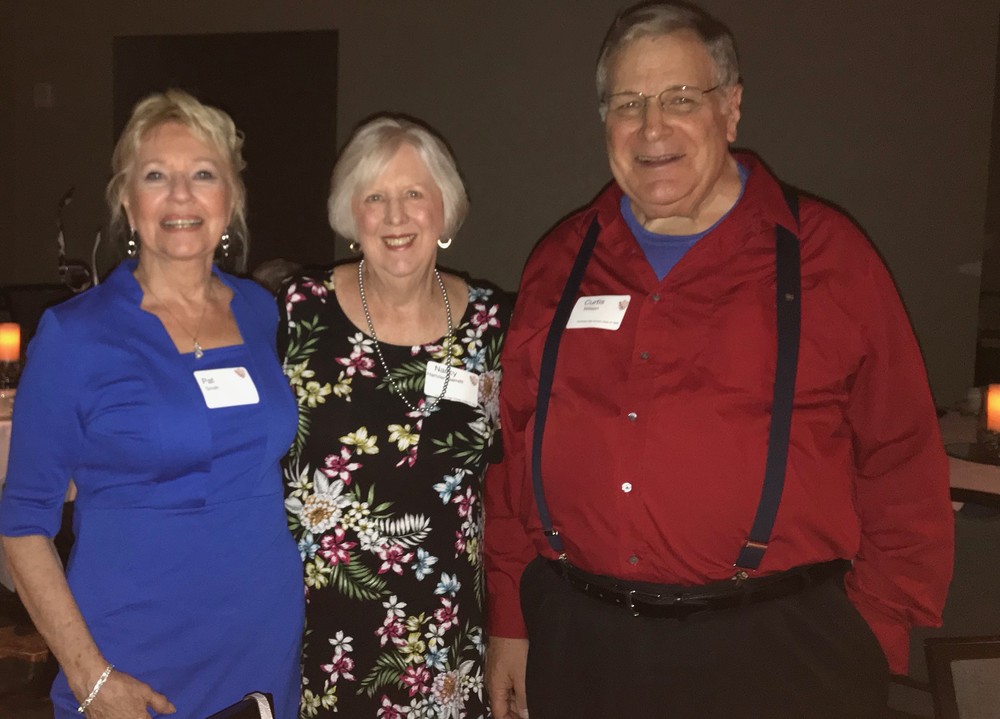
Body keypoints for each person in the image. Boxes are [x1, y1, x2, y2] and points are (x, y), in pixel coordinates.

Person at [483, 3, 954, 718]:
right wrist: (511, 617)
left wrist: (874, 632)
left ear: (730, 109)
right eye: (628, 103)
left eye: (680, 98)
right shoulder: (559, 261)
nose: (652, 128)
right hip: (581, 646)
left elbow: (902, 454)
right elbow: (513, 452)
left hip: (779, 656)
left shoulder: (830, 257)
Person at [0, 89, 303, 718]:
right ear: (127, 202)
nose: (181, 195)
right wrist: (91, 678)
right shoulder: (75, 334)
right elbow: (22, 521)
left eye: (203, 174)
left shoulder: (261, 311)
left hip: (264, 642)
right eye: (156, 176)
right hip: (132, 657)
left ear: (231, 199)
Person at [279, 115, 510, 718]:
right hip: (322, 636)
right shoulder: (297, 313)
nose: (396, 216)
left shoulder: (492, 325)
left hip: (447, 639)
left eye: (413, 194)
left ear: (445, 207)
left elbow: (511, 482)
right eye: (375, 197)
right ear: (351, 215)